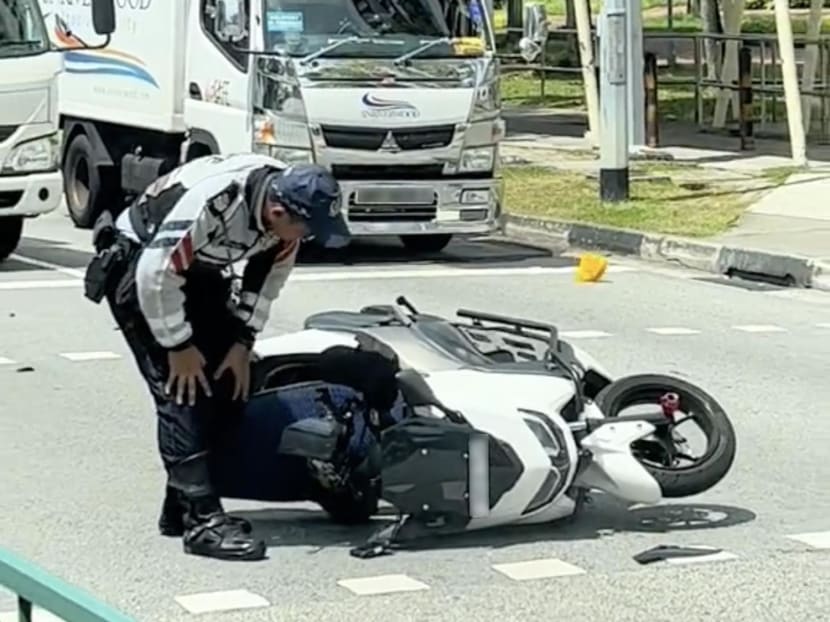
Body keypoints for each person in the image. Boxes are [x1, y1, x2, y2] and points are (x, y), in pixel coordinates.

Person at [84, 153, 351, 562]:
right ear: (277, 211)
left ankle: (180, 507)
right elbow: (155, 276)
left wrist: (242, 343)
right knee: (183, 392)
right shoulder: (215, 200)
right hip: (141, 266)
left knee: (228, 384)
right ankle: (201, 523)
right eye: (307, 229)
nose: (309, 238)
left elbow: (268, 280)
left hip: (198, 271)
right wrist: (178, 346)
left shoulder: (285, 219)